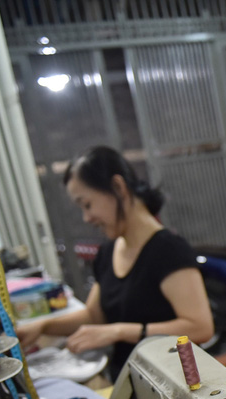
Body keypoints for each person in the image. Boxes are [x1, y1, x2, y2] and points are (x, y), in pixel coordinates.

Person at [17, 146, 214, 379]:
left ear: (118, 188)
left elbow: (200, 327)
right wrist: (43, 327)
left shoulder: (168, 250)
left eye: (87, 204)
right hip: (130, 380)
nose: (86, 218)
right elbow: (94, 316)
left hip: (171, 383)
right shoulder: (109, 251)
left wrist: (118, 331)